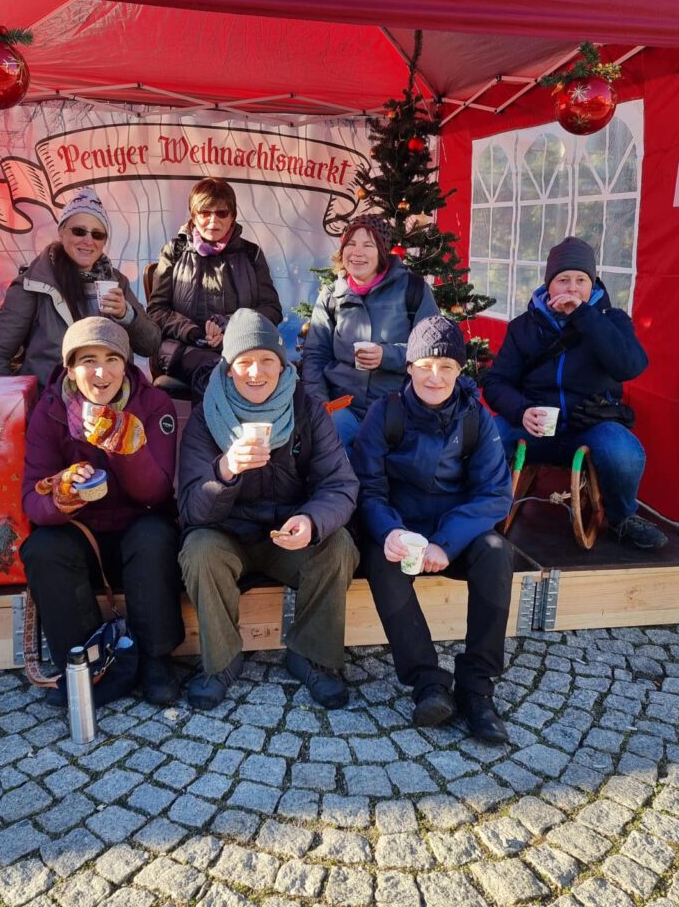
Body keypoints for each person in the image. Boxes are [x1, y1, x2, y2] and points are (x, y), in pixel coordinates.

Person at [178, 308, 360, 710]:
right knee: (200, 550)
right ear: (228, 369)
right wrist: (225, 470)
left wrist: (311, 520)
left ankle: (310, 655)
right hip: (227, 535)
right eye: (244, 362)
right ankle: (222, 662)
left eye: (267, 360)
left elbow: (340, 485)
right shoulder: (205, 419)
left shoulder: (307, 410)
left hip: (286, 536)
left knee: (339, 543)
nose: (256, 372)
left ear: (282, 364)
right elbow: (191, 509)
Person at [352, 316, 514, 744]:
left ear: (461, 371)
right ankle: (428, 682)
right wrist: (389, 531)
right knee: (378, 561)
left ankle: (478, 688)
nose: (435, 376)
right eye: (425, 365)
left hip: (454, 534)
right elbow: (367, 487)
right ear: (409, 367)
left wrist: (446, 543)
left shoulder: (477, 418)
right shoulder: (383, 414)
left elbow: (495, 494)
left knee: (498, 551)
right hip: (401, 531)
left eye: (447, 366)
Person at [20, 316, 185, 706]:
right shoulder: (51, 411)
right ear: (70, 368)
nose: (101, 372)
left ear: (126, 365)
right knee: (43, 549)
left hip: (136, 525)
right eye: (88, 360)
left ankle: (156, 659)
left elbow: (156, 492)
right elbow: (32, 496)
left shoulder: (153, 403)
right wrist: (61, 495)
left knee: (155, 536)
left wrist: (122, 445)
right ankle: (82, 664)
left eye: (112, 359)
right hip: (81, 532)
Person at [482, 236, 667, 551]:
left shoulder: (612, 320)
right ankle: (480, 512)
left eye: (581, 280)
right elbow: (496, 382)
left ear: (592, 284)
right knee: (489, 436)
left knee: (624, 452)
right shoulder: (523, 327)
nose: (571, 287)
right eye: (563, 279)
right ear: (548, 285)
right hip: (535, 426)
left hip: (590, 424)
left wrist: (585, 316)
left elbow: (630, 366)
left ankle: (622, 518)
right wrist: (522, 410)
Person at [0, 188, 159, 390]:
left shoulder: (117, 282)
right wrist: (23, 408)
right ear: (62, 232)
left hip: (110, 404)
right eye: (79, 231)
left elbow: (151, 345)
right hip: (52, 407)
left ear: (104, 242)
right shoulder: (33, 284)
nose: (88, 240)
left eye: (97, 234)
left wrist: (128, 316)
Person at [301, 213, 438, 451]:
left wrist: (387, 356)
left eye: (368, 245)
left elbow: (433, 351)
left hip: (397, 409)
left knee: (385, 478)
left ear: (382, 252)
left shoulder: (414, 290)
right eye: (350, 244)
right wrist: (322, 405)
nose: (357, 252)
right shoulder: (332, 295)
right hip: (342, 408)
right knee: (330, 466)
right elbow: (315, 355)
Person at [147, 177, 282, 397]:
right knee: (218, 374)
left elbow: (272, 310)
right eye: (205, 213)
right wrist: (193, 332)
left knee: (265, 373)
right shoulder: (175, 251)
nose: (213, 221)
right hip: (184, 349)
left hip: (241, 348)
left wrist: (231, 324)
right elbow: (156, 311)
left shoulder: (251, 254)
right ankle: (212, 431)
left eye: (221, 213)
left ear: (233, 216)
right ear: (193, 215)